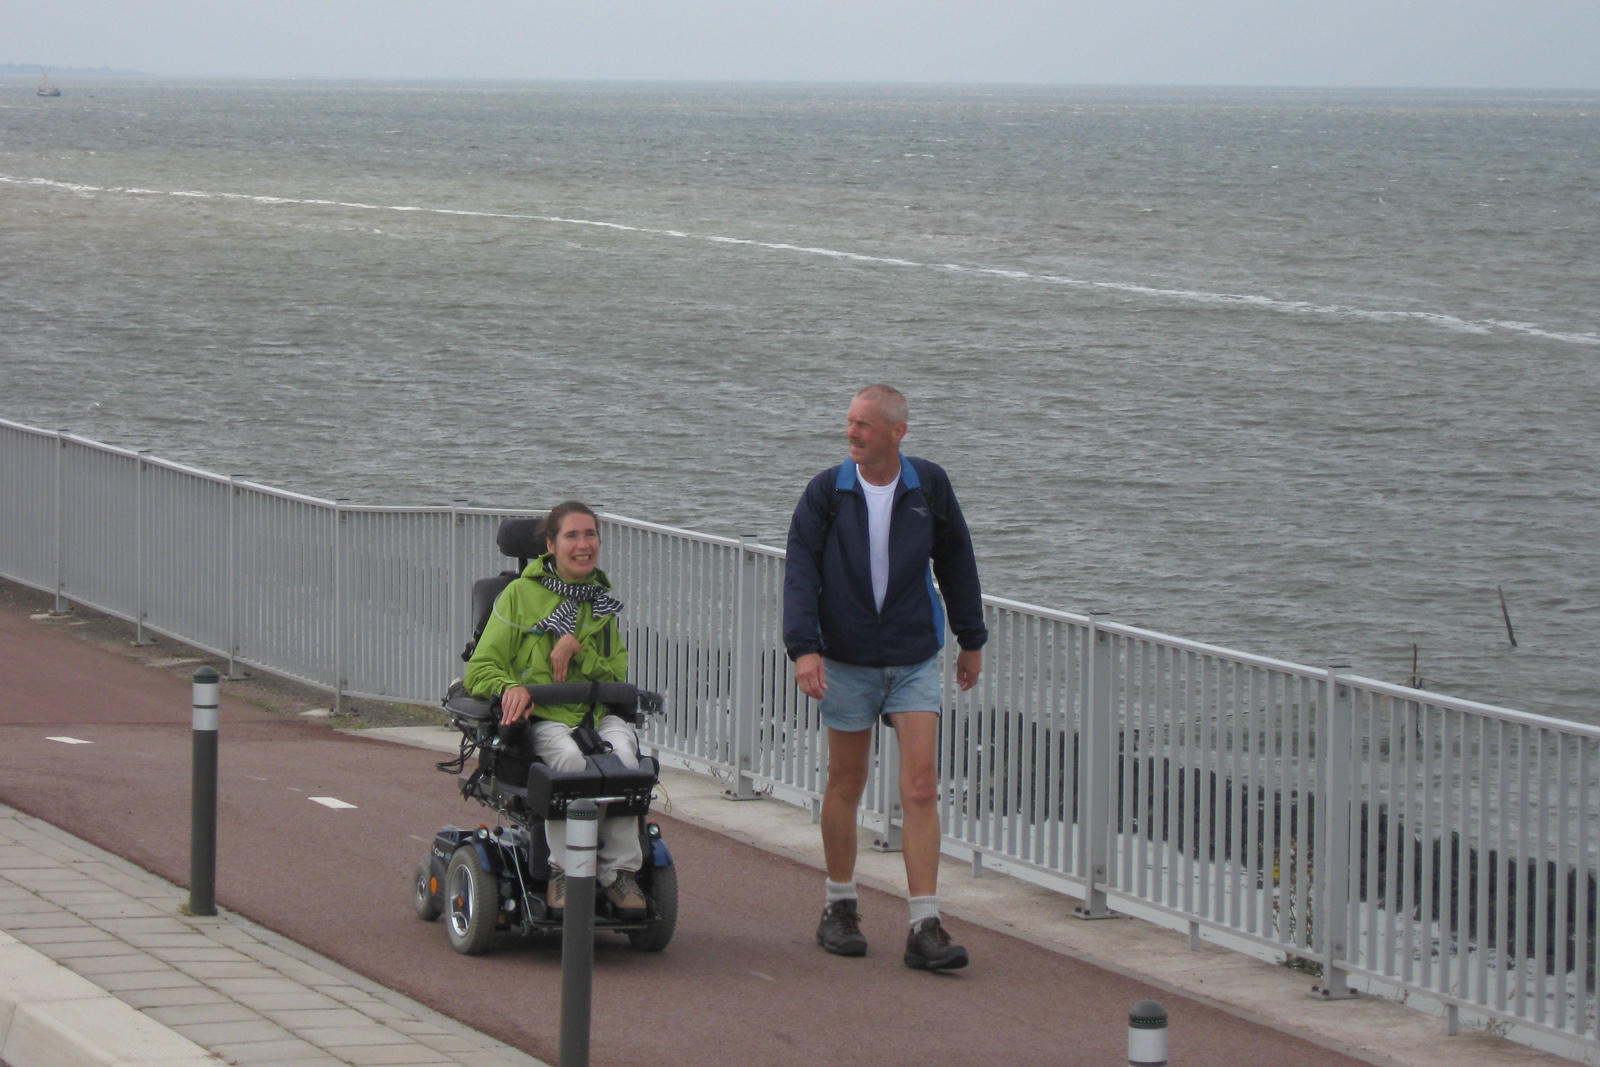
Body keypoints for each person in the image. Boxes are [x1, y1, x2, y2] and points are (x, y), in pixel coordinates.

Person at [783, 384, 987, 971]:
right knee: (847, 781)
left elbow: (957, 560)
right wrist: (804, 649)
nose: (851, 433)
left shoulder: (929, 486)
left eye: (864, 425)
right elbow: (800, 571)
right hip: (845, 659)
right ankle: (839, 907)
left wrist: (971, 639)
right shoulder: (827, 491)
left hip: (913, 656)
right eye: (850, 421)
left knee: (920, 786)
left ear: (898, 432)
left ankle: (925, 925)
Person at [463, 500, 648, 919]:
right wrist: (510, 687)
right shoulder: (517, 596)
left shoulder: (600, 602)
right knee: (570, 762)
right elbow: (480, 669)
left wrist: (577, 649)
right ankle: (564, 870)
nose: (583, 545)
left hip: (593, 715)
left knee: (625, 761)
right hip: (544, 717)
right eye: (572, 536)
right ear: (551, 545)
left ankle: (619, 872)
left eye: (590, 535)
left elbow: (616, 673)